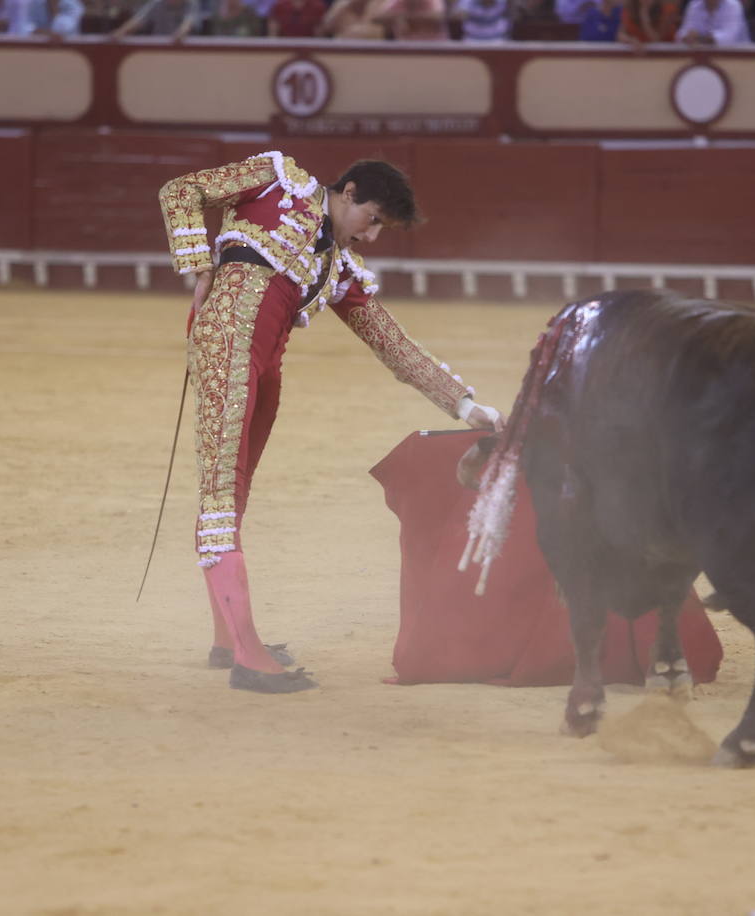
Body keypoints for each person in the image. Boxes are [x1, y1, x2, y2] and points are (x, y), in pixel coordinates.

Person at [158, 152, 501, 694]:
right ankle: (248, 658)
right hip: (226, 352)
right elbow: (182, 190)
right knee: (221, 494)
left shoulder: (335, 267)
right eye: (372, 219)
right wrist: (197, 264)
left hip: (265, 369)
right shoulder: (275, 181)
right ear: (350, 192)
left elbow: (391, 342)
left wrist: (466, 407)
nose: (372, 236)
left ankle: (229, 641)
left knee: (235, 492)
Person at [677, 0, 751, 41]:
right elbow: (681, 34)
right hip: (703, 55)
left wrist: (700, 38)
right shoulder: (694, 5)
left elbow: (729, 37)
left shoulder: (733, 5)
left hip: (739, 56)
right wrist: (687, 37)